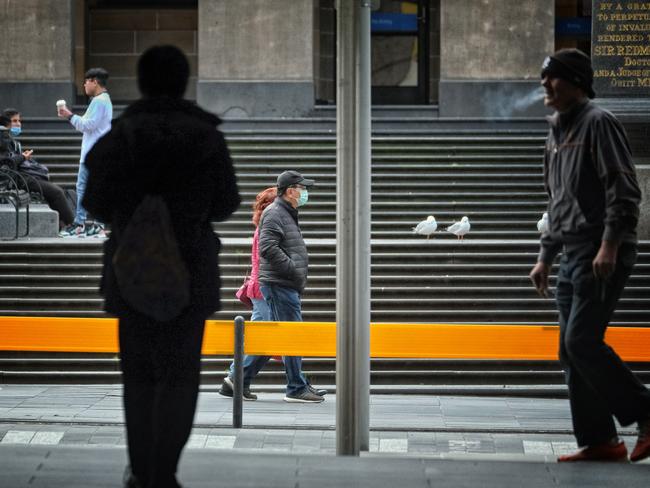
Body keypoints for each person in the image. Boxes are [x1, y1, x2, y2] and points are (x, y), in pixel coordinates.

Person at [82, 45, 240, 488]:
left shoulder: (122, 134)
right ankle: (165, 470)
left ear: (143, 81)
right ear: (183, 80)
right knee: (180, 375)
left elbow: (93, 201)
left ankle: (142, 470)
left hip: (131, 273)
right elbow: (227, 202)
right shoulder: (205, 135)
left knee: (139, 377)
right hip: (189, 273)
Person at [529, 48, 650, 463]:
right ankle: (601, 441)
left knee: (581, 340)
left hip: (602, 250)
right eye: (544, 77)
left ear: (577, 82)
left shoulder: (598, 123)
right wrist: (546, 255)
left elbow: (624, 190)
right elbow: (557, 200)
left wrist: (611, 244)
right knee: (569, 347)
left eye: (554, 77)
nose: (545, 84)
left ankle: (646, 412)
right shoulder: (557, 131)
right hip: (573, 252)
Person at [219, 186, 327, 401]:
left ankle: (236, 379)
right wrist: (292, 268)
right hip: (264, 288)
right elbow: (267, 257)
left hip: (261, 287)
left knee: (267, 340)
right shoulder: (269, 224)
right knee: (277, 337)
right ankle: (292, 384)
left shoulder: (268, 224)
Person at [256, 170, 325, 403]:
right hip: (280, 283)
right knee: (293, 335)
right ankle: (295, 388)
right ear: (289, 190)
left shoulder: (286, 212)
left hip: (285, 284)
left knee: (284, 336)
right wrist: (292, 269)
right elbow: (267, 247)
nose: (305, 192)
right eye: (302, 188)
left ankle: (238, 379)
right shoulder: (275, 213)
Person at [58, 67, 113, 238]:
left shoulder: (99, 101)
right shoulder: (104, 100)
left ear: (94, 81)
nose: (84, 85)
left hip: (93, 154)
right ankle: (96, 224)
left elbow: (87, 125)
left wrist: (69, 115)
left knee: (83, 188)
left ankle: (81, 224)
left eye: (86, 81)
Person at [0, 110, 74, 228]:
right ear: (5, 124)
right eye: (14, 121)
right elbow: (5, 163)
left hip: (21, 176)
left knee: (56, 191)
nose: (18, 124)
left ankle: (62, 225)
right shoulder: (2, 140)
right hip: (15, 180)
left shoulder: (10, 140)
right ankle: (74, 225)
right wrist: (23, 157)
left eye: (19, 120)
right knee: (57, 192)